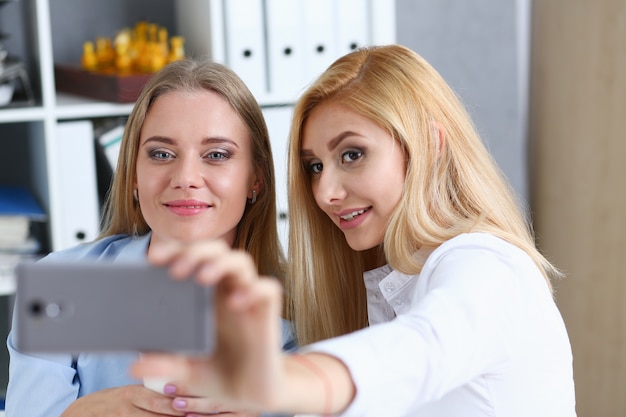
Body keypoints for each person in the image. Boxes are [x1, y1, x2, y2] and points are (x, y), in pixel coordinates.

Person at [130, 44, 577, 417]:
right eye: (314, 166)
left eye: (352, 154)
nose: (325, 192)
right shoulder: (384, 286)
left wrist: (278, 381)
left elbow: (421, 351)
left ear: (430, 145)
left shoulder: (486, 266)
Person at [6, 59, 295, 417]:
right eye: (162, 154)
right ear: (134, 176)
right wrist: (83, 413)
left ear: (257, 179)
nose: (186, 177)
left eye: (216, 155)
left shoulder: (296, 307)